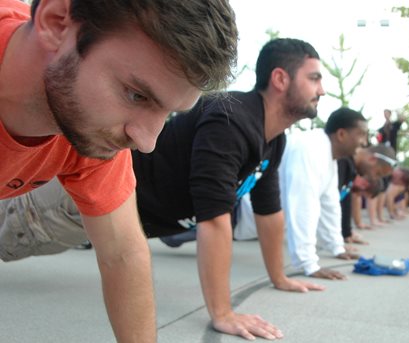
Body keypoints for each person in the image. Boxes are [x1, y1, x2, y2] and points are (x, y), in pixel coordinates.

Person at [1, 38, 325, 340]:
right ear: (281, 79)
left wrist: (280, 277)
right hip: (79, 202)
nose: (321, 90)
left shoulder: (273, 141)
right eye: (314, 78)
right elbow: (215, 219)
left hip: (113, 215)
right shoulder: (232, 119)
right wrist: (223, 313)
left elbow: (269, 213)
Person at [0, 0, 238, 341]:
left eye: (168, 114)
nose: (146, 142)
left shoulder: (89, 127)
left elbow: (123, 254)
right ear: (56, 22)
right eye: (136, 95)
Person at [278, 107, 368, 279]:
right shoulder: (310, 148)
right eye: (361, 134)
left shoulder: (327, 153)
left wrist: (337, 247)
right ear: (341, 134)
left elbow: (330, 204)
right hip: (239, 218)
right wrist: (309, 264)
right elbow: (303, 206)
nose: (365, 142)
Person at [338, 145, 395, 242]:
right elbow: (329, 205)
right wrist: (336, 245)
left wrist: (346, 233)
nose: (374, 178)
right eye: (377, 173)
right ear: (372, 159)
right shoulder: (343, 161)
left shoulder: (350, 167)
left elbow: (344, 202)